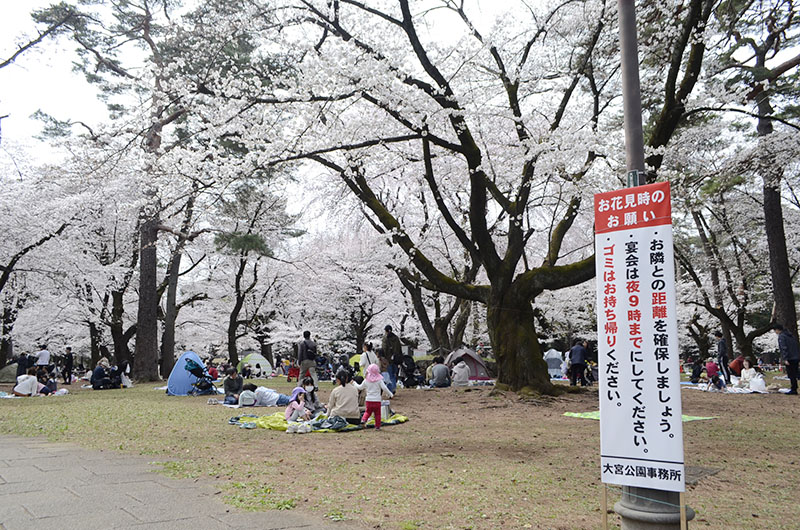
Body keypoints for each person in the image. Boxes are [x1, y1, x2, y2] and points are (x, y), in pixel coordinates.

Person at [355, 364, 393, 430]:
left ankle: (364, 419)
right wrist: (390, 394)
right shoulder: (379, 380)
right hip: (377, 400)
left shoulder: (366, 380)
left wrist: (354, 383)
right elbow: (384, 388)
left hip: (368, 400)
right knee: (377, 414)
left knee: (367, 412)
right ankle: (377, 426)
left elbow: (360, 387)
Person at [772, 323, 799, 395]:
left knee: (791, 374)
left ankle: (793, 389)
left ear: (777, 330)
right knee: (795, 373)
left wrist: (785, 358)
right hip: (796, 356)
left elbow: (784, 348)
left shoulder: (782, 336)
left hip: (790, 358)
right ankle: (794, 387)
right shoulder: (790, 335)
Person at [381, 325, 403, 391]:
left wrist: (384, 357)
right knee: (394, 374)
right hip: (396, 359)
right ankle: (393, 387)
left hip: (388, 360)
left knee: (390, 375)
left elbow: (384, 349)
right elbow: (399, 348)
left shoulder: (385, 338)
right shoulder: (396, 338)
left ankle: (392, 389)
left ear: (386, 331)